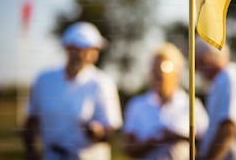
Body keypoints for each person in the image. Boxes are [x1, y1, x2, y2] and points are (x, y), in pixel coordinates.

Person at [22, 22, 122, 160]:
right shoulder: (45, 80)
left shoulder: (103, 83)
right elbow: (32, 120)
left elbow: (110, 131)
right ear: (68, 48)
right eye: (82, 49)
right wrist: (30, 151)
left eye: (92, 50)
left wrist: (96, 132)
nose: (89, 55)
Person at [123, 43, 209, 160]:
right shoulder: (137, 105)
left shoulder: (192, 105)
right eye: (154, 68)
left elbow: (206, 143)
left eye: (164, 67)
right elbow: (128, 149)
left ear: (177, 72)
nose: (158, 73)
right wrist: (152, 142)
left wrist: (177, 137)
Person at [195, 38, 236, 160]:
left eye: (195, 64)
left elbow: (228, 129)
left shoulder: (229, 81)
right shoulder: (224, 82)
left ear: (206, 60)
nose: (195, 71)